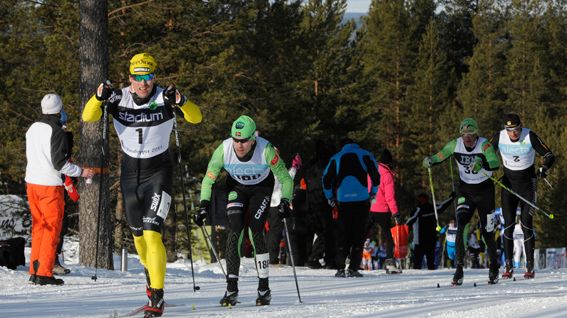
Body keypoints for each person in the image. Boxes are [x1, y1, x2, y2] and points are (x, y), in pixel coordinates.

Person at [82, 52, 202, 317]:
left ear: (154, 77)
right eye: (138, 77)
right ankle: (151, 283)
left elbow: (196, 118)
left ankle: (157, 297)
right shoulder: (118, 98)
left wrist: (182, 101)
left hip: (158, 171)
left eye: (148, 77)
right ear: (130, 77)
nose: (143, 83)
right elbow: (88, 116)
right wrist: (98, 96)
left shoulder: (165, 97)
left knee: (151, 232)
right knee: (138, 237)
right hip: (129, 173)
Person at [193, 115, 293, 307]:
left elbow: (286, 178)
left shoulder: (267, 150)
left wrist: (285, 201)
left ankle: (264, 288)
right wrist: (203, 205)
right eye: (236, 139)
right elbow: (208, 179)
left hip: (261, 188)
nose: (239, 145)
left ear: (253, 139)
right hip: (236, 188)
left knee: (255, 229)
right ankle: (231, 288)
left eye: (244, 140)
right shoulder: (223, 150)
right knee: (235, 229)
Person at [25, 93, 94, 286]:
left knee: (39, 227)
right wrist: (82, 172)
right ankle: (45, 273)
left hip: (32, 183)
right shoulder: (55, 131)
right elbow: (59, 163)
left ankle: (35, 269)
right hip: (49, 186)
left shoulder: (33, 128)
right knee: (51, 229)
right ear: (59, 110)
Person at [422, 118, 500, 285]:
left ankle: (494, 266)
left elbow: (495, 163)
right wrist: (431, 160)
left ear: (476, 133)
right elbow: (440, 155)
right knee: (461, 225)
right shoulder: (455, 145)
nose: (467, 138)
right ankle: (458, 269)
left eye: (470, 134)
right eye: (464, 134)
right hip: (466, 191)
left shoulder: (484, 145)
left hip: (485, 191)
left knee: (487, 232)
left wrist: (483, 163)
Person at [490, 113, 554, 279]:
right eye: (510, 130)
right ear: (506, 129)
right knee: (509, 225)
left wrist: (544, 168)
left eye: (517, 129)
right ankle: (509, 266)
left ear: (521, 127)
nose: (514, 133)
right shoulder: (499, 137)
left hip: (528, 185)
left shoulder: (529, 136)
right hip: (508, 186)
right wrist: (482, 164)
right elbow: (486, 155)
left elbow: (549, 155)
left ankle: (530, 266)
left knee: (526, 224)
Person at [322, 139, 380, 278]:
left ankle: (341, 267)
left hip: (343, 201)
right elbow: (376, 176)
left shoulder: (336, 157)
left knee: (342, 234)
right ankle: (354, 267)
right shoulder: (365, 155)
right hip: (361, 200)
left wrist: (330, 197)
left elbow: (326, 179)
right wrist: (373, 192)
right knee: (358, 234)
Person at [366, 148, 401, 272]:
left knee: (361, 234)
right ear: (389, 162)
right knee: (388, 236)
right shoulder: (387, 175)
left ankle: (350, 259)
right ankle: (390, 263)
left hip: (369, 208)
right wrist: (395, 212)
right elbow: (389, 197)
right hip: (382, 210)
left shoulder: (371, 171)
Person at [266, 153, 301, 265]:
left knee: (275, 231)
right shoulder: (274, 168)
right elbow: (288, 178)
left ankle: (276, 258)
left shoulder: (267, 168)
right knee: (282, 232)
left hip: (273, 204)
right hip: (279, 203)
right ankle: (274, 258)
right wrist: (295, 167)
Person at [406, 192, 455, 269]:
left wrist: (451, 198)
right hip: (420, 241)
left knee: (430, 263)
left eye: (425, 199)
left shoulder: (432, 208)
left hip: (430, 239)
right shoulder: (417, 210)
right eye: (422, 199)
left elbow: (442, 206)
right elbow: (409, 222)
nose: (424, 200)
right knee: (417, 263)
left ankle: (431, 277)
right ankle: (416, 277)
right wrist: (404, 233)